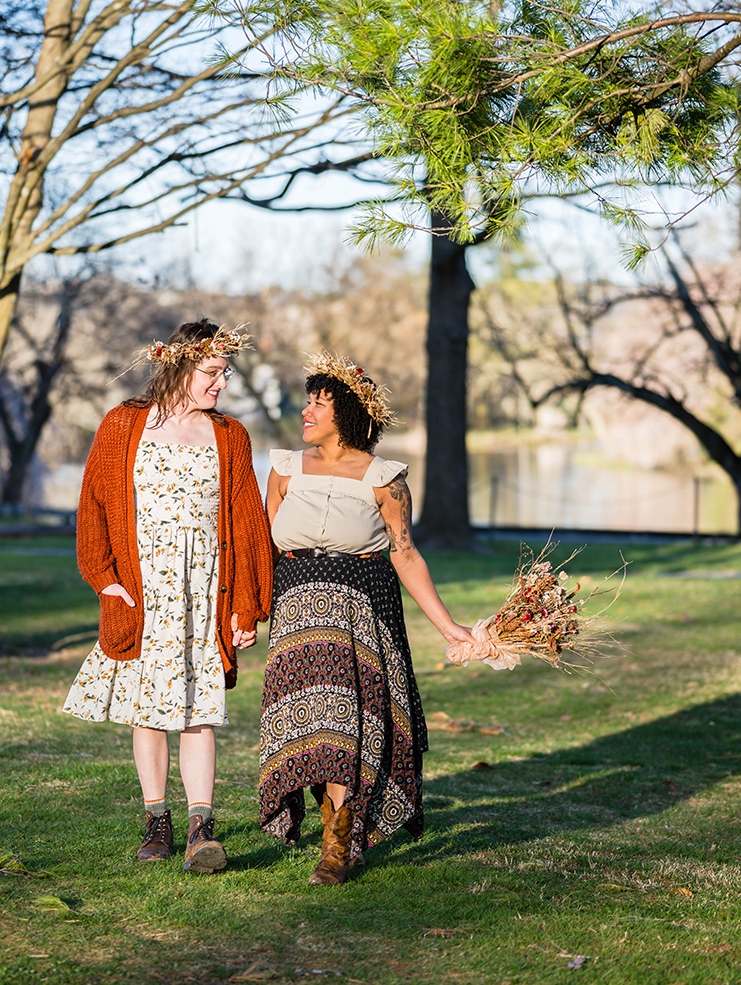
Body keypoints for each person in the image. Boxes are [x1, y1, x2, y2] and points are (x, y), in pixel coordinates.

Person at [64, 320, 273, 874]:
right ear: (179, 367)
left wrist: (245, 604)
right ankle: (158, 819)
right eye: (211, 372)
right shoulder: (123, 424)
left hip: (206, 589)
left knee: (200, 711)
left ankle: (202, 830)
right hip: (142, 589)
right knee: (148, 712)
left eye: (225, 373)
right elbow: (94, 507)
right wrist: (105, 580)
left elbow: (249, 522)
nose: (221, 384)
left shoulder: (230, 435)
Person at [258, 354, 473, 885]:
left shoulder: (385, 479)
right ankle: (337, 830)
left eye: (318, 403)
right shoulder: (284, 468)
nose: (306, 410)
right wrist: (245, 612)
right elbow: (264, 544)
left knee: (347, 727)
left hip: (360, 613)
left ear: (347, 413)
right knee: (310, 728)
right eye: (308, 400)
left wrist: (450, 628)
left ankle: (338, 844)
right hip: (295, 613)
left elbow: (405, 554)